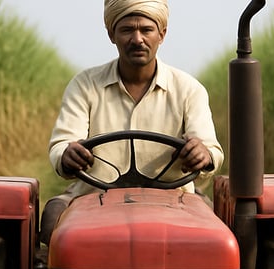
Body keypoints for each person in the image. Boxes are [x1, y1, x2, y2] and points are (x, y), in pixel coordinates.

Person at [40, 0, 224, 244]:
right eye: (127, 30)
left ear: (162, 34)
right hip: (95, 195)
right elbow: (62, 144)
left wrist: (202, 154)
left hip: (174, 198)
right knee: (53, 216)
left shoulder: (189, 89)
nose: (137, 39)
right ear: (111, 35)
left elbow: (211, 150)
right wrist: (67, 155)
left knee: (217, 236)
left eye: (146, 30)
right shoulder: (85, 85)